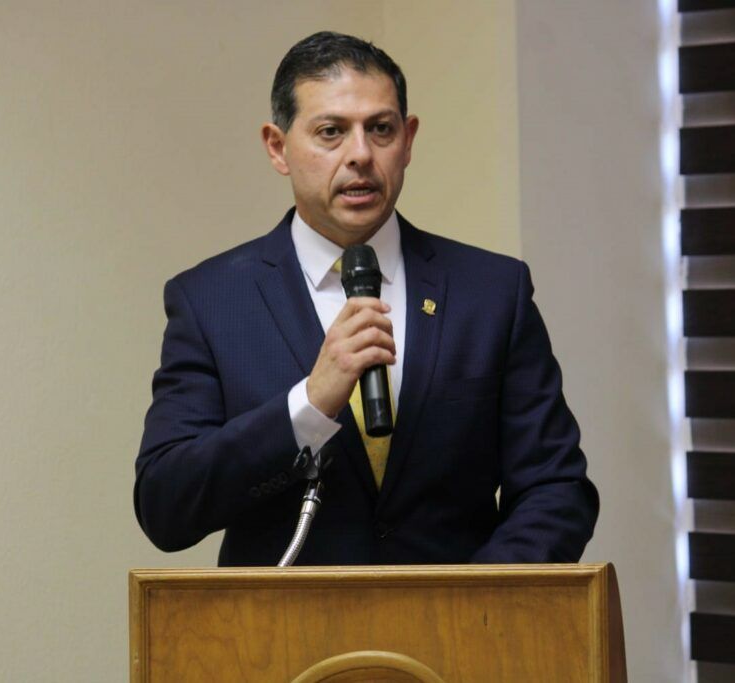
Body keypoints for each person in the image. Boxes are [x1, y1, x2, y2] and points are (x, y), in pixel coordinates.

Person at [134, 31, 598, 566]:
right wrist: (308, 406)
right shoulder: (211, 301)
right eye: (331, 132)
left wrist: (468, 601)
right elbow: (165, 504)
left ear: (408, 139)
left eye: (380, 129)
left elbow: (556, 489)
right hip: (284, 620)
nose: (360, 155)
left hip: (463, 617)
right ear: (278, 147)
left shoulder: (492, 292)